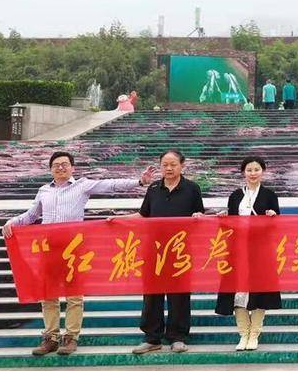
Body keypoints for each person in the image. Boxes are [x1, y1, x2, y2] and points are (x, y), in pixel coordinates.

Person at [3, 152, 155, 357]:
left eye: (65, 164)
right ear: (51, 169)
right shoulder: (44, 190)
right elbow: (32, 215)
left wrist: (139, 181)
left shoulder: (82, 185)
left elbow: (109, 185)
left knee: (74, 295)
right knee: (48, 294)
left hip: (73, 248)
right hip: (48, 248)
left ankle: (71, 337)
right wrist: (12, 222)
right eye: (56, 165)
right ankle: (50, 337)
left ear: (72, 168)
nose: (60, 167)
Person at [118, 150, 206, 355]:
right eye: (165, 164)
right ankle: (152, 337)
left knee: (179, 295)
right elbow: (143, 215)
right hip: (154, 250)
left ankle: (178, 337)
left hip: (180, 250)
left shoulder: (192, 188)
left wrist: (198, 216)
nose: (168, 168)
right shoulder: (153, 189)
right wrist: (119, 220)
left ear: (182, 165)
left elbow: (199, 214)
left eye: (173, 164)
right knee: (152, 294)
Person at [215, 157, 281, 351]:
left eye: (256, 169)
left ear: (263, 172)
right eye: (249, 170)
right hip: (238, 250)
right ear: (243, 172)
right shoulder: (235, 195)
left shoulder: (269, 195)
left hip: (261, 251)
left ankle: (254, 334)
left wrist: (272, 216)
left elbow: (277, 224)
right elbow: (230, 223)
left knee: (260, 291)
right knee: (238, 292)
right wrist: (223, 217)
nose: (253, 173)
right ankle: (243, 334)